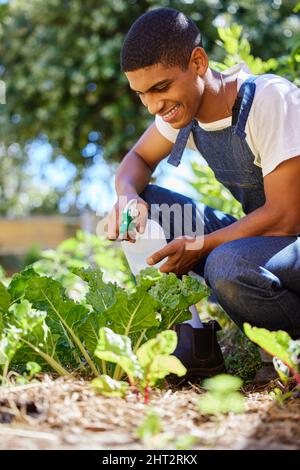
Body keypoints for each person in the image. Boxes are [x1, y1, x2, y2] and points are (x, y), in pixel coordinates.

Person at [107, 7, 300, 383]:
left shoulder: (268, 99)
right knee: (152, 205)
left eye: (161, 88)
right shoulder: (181, 112)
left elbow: (287, 215)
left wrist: (203, 245)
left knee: (225, 265)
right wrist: (127, 196)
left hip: (292, 243)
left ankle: (287, 352)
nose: (153, 106)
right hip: (269, 244)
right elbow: (137, 159)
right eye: (142, 94)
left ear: (197, 61)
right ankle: (194, 343)